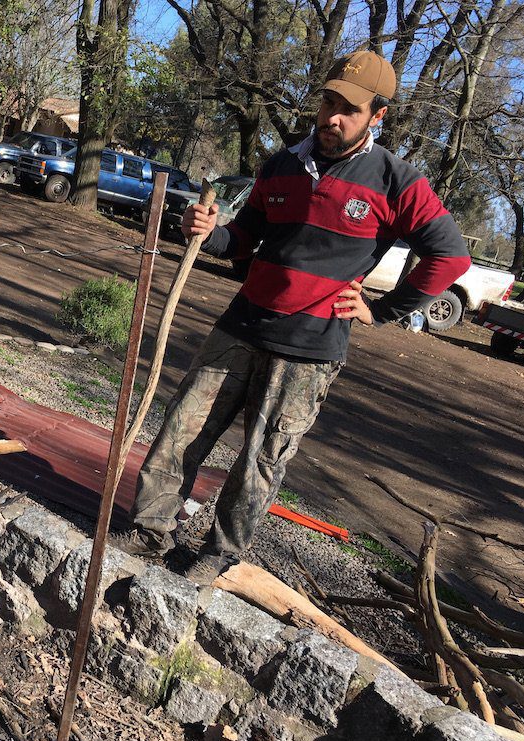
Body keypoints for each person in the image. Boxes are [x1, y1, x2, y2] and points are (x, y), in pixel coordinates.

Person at [115, 50, 471, 582]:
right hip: (242, 325)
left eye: (349, 108)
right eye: (329, 101)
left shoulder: (397, 181)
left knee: (260, 458)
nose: (332, 116)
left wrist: (383, 310)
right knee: (181, 430)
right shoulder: (282, 164)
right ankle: (147, 531)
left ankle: (216, 557)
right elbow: (242, 240)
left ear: (378, 115)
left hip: (309, 347)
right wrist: (207, 231)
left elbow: (451, 256)